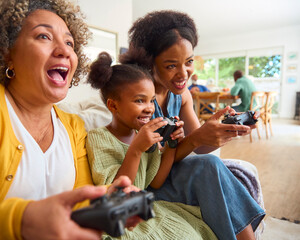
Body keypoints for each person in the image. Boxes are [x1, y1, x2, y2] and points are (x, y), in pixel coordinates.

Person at [120, 10, 265, 240]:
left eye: (188, 62)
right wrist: (198, 138)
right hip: (150, 179)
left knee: (210, 162)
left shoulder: (182, 95)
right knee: (209, 165)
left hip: (172, 171)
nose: (183, 73)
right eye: (170, 66)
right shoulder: (140, 100)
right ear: (150, 62)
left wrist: (221, 131)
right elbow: (152, 168)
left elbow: (199, 146)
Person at [0, 1, 139, 239]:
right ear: (7, 52)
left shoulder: (73, 126)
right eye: (44, 36)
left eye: (69, 43)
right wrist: (22, 221)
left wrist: (106, 198)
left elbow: (78, 200)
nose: (64, 50)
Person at [86, 51, 217, 239]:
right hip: (122, 217)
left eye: (151, 100)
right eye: (140, 100)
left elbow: (155, 181)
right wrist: (137, 149)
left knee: (194, 233)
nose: (150, 108)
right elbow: (116, 193)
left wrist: (171, 145)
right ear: (113, 106)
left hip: (147, 207)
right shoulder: (99, 138)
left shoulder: (143, 134)